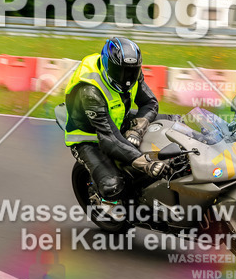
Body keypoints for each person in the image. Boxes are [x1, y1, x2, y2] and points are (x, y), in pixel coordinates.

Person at [63, 36, 172, 201]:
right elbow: (109, 138)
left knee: (173, 121)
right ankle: (116, 203)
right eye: (119, 71)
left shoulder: (132, 72)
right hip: (90, 137)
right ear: (107, 65)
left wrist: (137, 130)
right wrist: (146, 163)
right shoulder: (90, 91)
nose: (126, 78)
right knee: (113, 187)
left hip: (117, 118)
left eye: (131, 71)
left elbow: (149, 103)